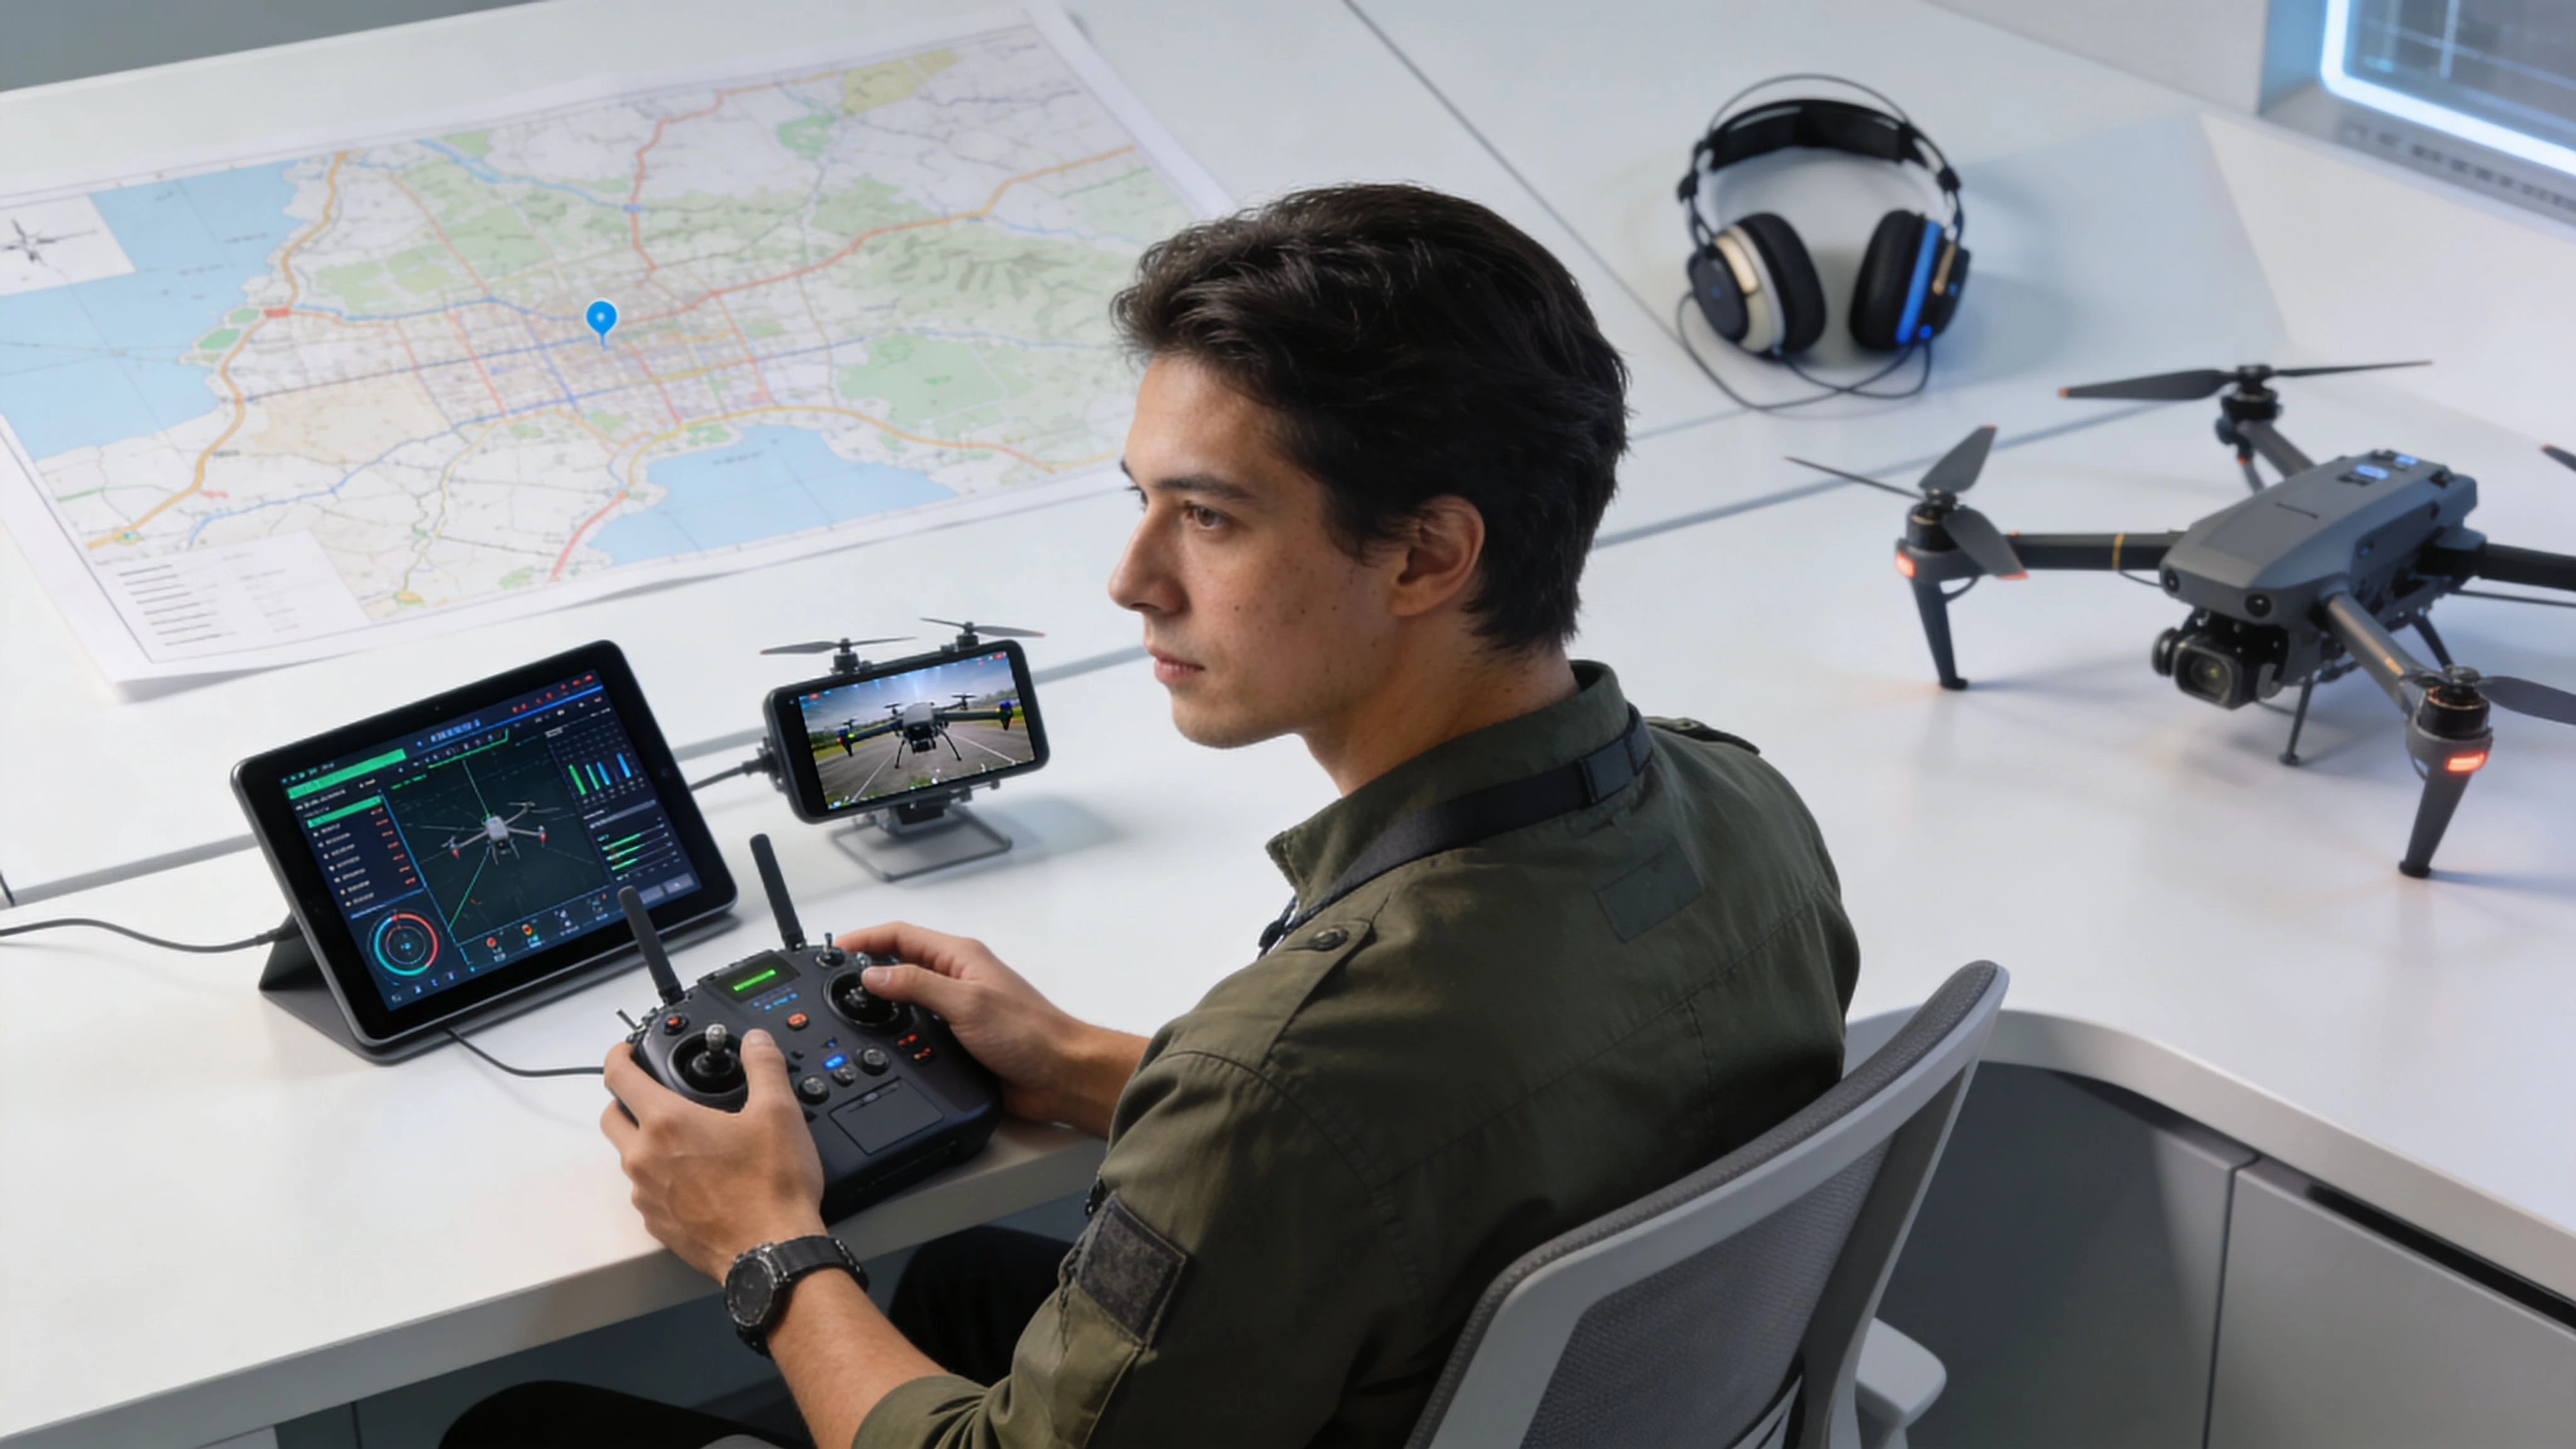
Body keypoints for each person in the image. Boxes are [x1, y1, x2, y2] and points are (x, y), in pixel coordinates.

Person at [445, 183, 1858, 1449]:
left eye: (1210, 517)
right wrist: (1078, 1061)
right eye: (1141, 501)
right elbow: (1454, 1148)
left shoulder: (1286, 1083)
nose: (1130, 579)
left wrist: (761, 1245)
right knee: (956, 1288)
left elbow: (1310, 1122)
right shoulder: (1745, 809)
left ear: (1427, 554)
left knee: (522, 1430)